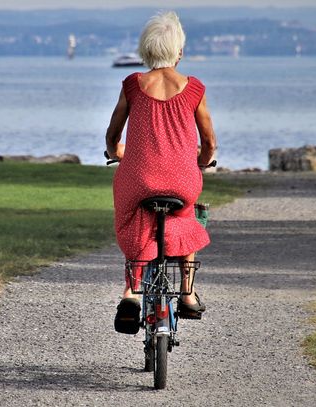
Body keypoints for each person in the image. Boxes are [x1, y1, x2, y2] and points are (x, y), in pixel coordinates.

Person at [105, 11, 217, 334]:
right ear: (178, 51)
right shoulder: (194, 89)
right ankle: (187, 291)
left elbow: (113, 137)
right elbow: (208, 141)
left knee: (136, 214)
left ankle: (131, 292)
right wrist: (203, 160)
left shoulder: (133, 85)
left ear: (146, 50)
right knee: (186, 217)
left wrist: (117, 153)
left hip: (139, 179)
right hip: (181, 180)